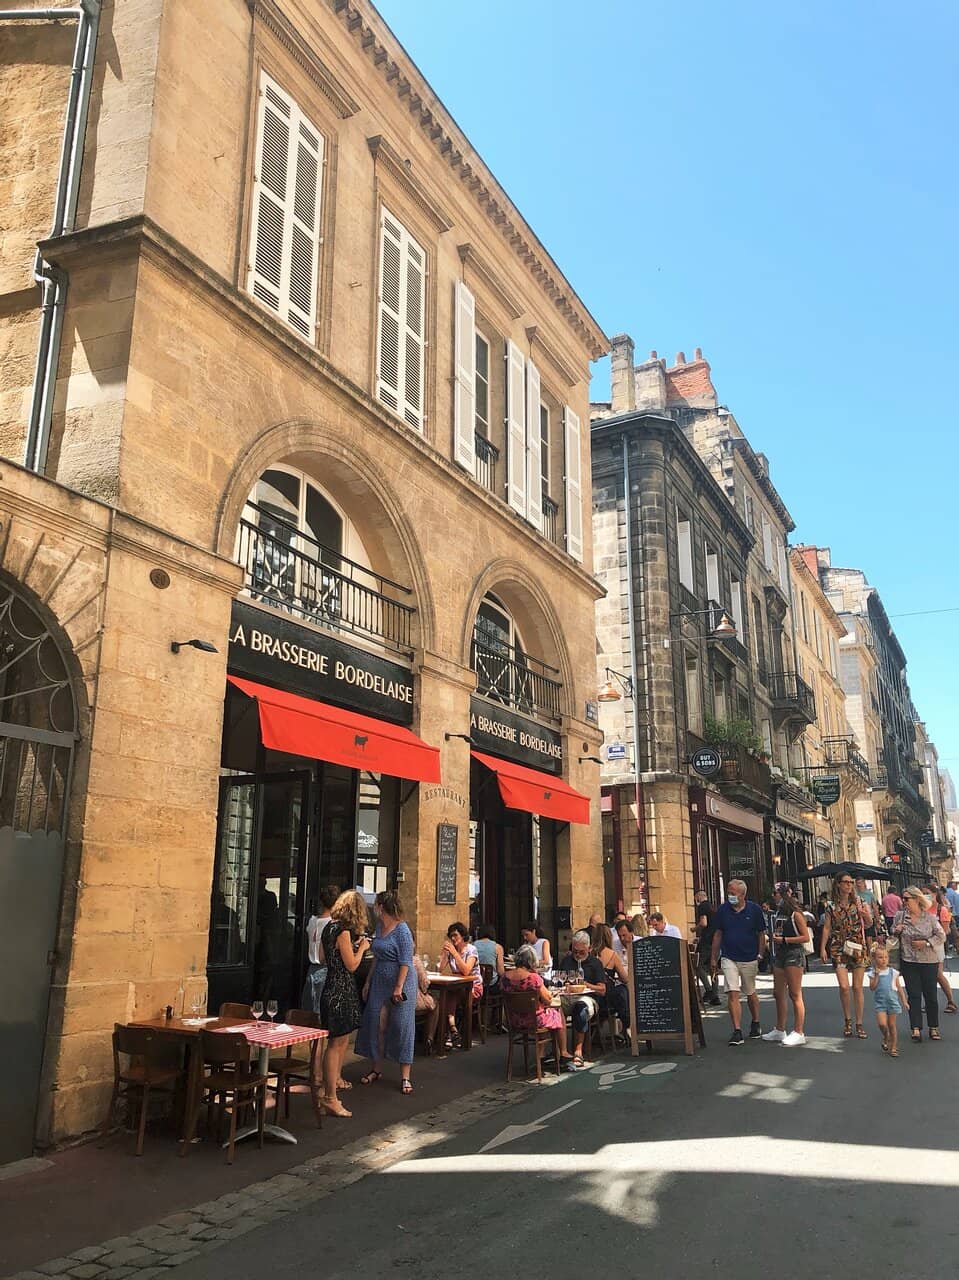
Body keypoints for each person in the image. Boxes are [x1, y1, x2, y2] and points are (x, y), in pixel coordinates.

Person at [355, 891, 417, 1095]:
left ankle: (405, 1075)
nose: (373, 908)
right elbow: (377, 956)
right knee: (375, 1022)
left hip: (401, 981)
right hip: (380, 979)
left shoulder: (403, 930)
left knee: (402, 1025)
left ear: (381, 907)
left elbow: (406, 962)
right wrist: (368, 981)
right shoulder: (380, 927)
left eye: (375, 905)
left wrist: (398, 987)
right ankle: (376, 1068)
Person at [319, 890, 371, 1117]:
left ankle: (330, 1087)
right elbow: (351, 965)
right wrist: (362, 949)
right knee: (337, 1044)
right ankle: (331, 1097)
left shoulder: (328, 927)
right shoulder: (343, 932)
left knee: (336, 1042)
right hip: (342, 990)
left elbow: (322, 958)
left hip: (329, 986)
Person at [709, 879, 767, 1046]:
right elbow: (718, 934)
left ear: (742, 895)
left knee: (749, 991)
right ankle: (737, 1030)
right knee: (732, 992)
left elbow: (761, 933)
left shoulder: (754, 910)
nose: (729, 896)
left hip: (749, 956)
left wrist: (760, 954)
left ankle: (755, 1022)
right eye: (728, 893)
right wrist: (714, 957)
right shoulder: (723, 910)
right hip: (729, 956)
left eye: (732, 894)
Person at [500, 944, 575, 1068]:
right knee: (557, 1011)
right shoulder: (533, 978)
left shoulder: (504, 978)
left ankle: (541, 1056)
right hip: (533, 1020)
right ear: (531, 961)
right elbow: (548, 1000)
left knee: (542, 1012)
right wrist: (552, 994)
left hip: (513, 1020)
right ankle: (563, 1052)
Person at [820, 872, 871, 1038]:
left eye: (851, 882)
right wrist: (822, 948)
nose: (849, 885)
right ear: (838, 884)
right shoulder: (830, 906)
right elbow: (827, 927)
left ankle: (859, 1023)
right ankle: (848, 1020)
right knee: (843, 986)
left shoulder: (859, 902)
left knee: (857, 987)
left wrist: (865, 916)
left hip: (857, 946)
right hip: (838, 946)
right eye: (846, 882)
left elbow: (870, 923)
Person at [893, 887, 946, 1042]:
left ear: (917, 899)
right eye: (903, 898)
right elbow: (892, 933)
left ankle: (933, 1027)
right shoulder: (900, 916)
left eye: (907, 899)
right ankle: (915, 1028)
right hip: (908, 960)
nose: (904, 901)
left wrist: (927, 943)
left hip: (928, 961)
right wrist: (896, 929)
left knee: (930, 995)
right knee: (914, 995)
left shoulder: (929, 918)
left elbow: (941, 935)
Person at [762, 885, 809, 1046]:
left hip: (793, 953)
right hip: (780, 953)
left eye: (775, 894)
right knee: (778, 992)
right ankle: (780, 1029)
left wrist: (784, 940)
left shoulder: (796, 914)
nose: (773, 897)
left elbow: (805, 937)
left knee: (795, 993)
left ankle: (799, 1031)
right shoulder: (777, 914)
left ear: (783, 895)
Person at [557, 930, 607, 1067]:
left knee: (581, 1009)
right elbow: (559, 980)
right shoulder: (567, 961)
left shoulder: (595, 963)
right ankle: (562, 1051)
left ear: (589, 949)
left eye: (581, 952)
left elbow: (602, 990)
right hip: (568, 996)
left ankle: (578, 1050)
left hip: (588, 997)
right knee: (554, 1007)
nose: (577, 955)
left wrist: (586, 985)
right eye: (575, 951)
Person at [439, 922, 482, 1049]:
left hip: (473, 987)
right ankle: (452, 1031)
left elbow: (466, 971)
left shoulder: (471, 950)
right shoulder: (452, 951)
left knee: (449, 995)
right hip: (457, 987)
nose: (453, 939)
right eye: (450, 936)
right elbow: (440, 969)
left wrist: (455, 953)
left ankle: (449, 1032)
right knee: (446, 995)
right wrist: (444, 955)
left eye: (455, 935)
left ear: (463, 936)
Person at [301, 884, 339, 1014]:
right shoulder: (333, 924)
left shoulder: (312, 921)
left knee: (309, 1009)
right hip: (325, 968)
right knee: (322, 1011)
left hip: (312, 969)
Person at [866, 942, 907, 1057]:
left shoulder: (893, 972)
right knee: (882, 1024)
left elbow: (899, 988)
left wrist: (904, 1001)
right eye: (880, 957)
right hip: (880, 1003)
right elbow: (872, 988)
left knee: (892, 1025)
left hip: (893, 1002)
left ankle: (894, 1047)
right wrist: (877, 975)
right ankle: (886, 1036)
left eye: (885, 957)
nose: (883, 960)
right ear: (875, 959)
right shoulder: (872, 973)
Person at [591, 923, 630, 1034]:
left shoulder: (589, 953)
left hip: (593, 994)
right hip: (607, 998)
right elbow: (625, 978)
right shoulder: (612, 954)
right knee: (624, 990)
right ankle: (627, 1025)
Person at [694, 893, 720, 1005]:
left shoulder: (702, 907)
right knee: (713, 967)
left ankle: (709, 990)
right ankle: (715, 996)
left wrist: (694, 928)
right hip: (715, 941)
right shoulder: (713, 907)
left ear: (698, 898)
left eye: (696, 899)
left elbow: (704, 923)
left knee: (697, 966)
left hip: (706, 941)